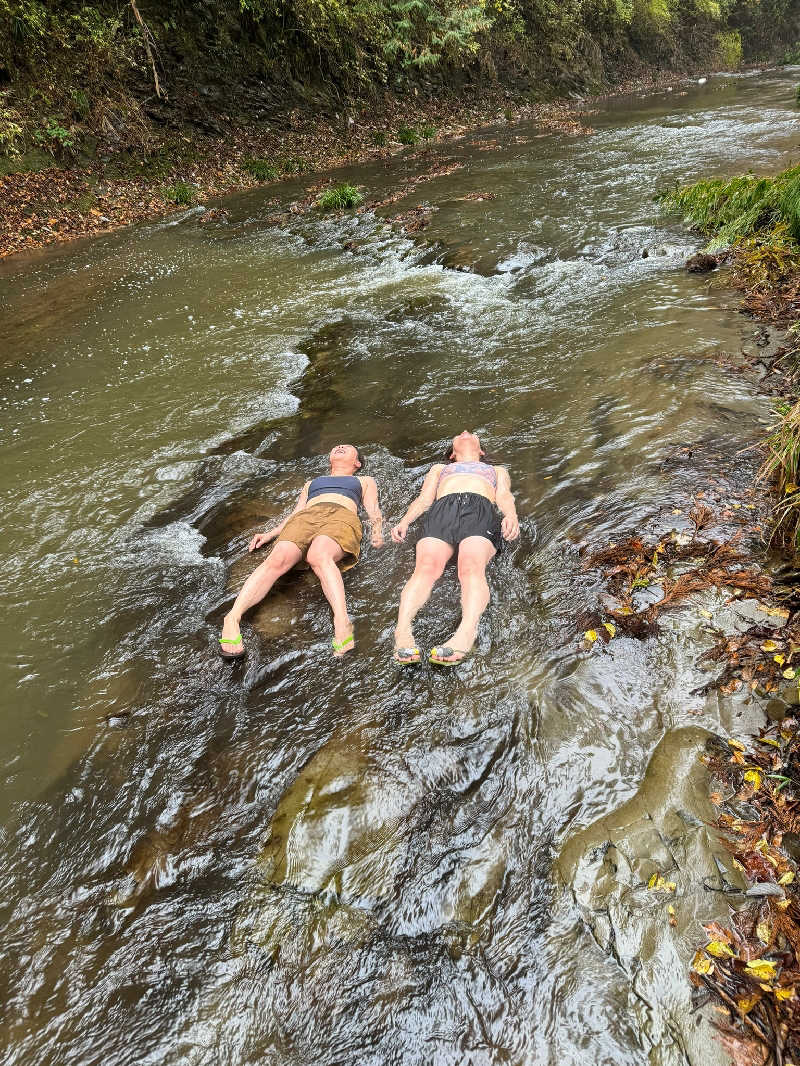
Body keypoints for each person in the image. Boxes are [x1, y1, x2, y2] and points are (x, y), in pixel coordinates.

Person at [219, 444, 383, 659]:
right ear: (329, 460)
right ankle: (232, 618)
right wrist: (270, 534)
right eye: (337, 447)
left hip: (341, 516)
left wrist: (377, 531)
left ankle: (342, 621)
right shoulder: (311, 483)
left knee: (320, 556)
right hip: (305, 519)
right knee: (277, 559)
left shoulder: (364, 481)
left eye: (347, 447)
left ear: (357, 463)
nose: (340, 446)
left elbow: (373, 508)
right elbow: (296, 512)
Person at [391, 430, 519, 665]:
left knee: (470, 567)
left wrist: (511, 516)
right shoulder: (439, 469)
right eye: (460, 434)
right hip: (442, 509)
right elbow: (424, 499)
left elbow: (504, 496)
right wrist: (405, 521)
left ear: (481, 451)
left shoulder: (496, 470)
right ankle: (403, 634)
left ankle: (465, 634)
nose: (465, 432)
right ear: (451, 454)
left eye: (471, 433)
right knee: (426, 568)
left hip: (480, 508)